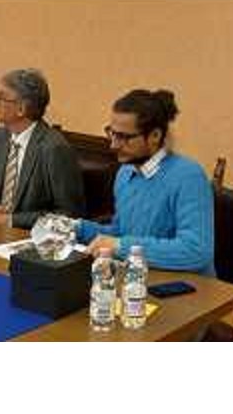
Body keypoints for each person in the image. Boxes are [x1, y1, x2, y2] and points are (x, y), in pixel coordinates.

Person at [76, 89, 215, 276]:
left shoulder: (189, 177)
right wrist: (78, 228)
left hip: (187, 287)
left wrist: (120, 245)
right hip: (140, 277)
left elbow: (196, 251)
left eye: (124, 137)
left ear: (155, 136)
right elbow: (121, 232)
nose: (113, 145)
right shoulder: (126, 173)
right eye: (112, 133)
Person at [0, 69, 85, 229]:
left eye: (1, 98)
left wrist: (11, 220)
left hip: (29, 236)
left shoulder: (54, 148)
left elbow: (69, 213)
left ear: (21, 109)